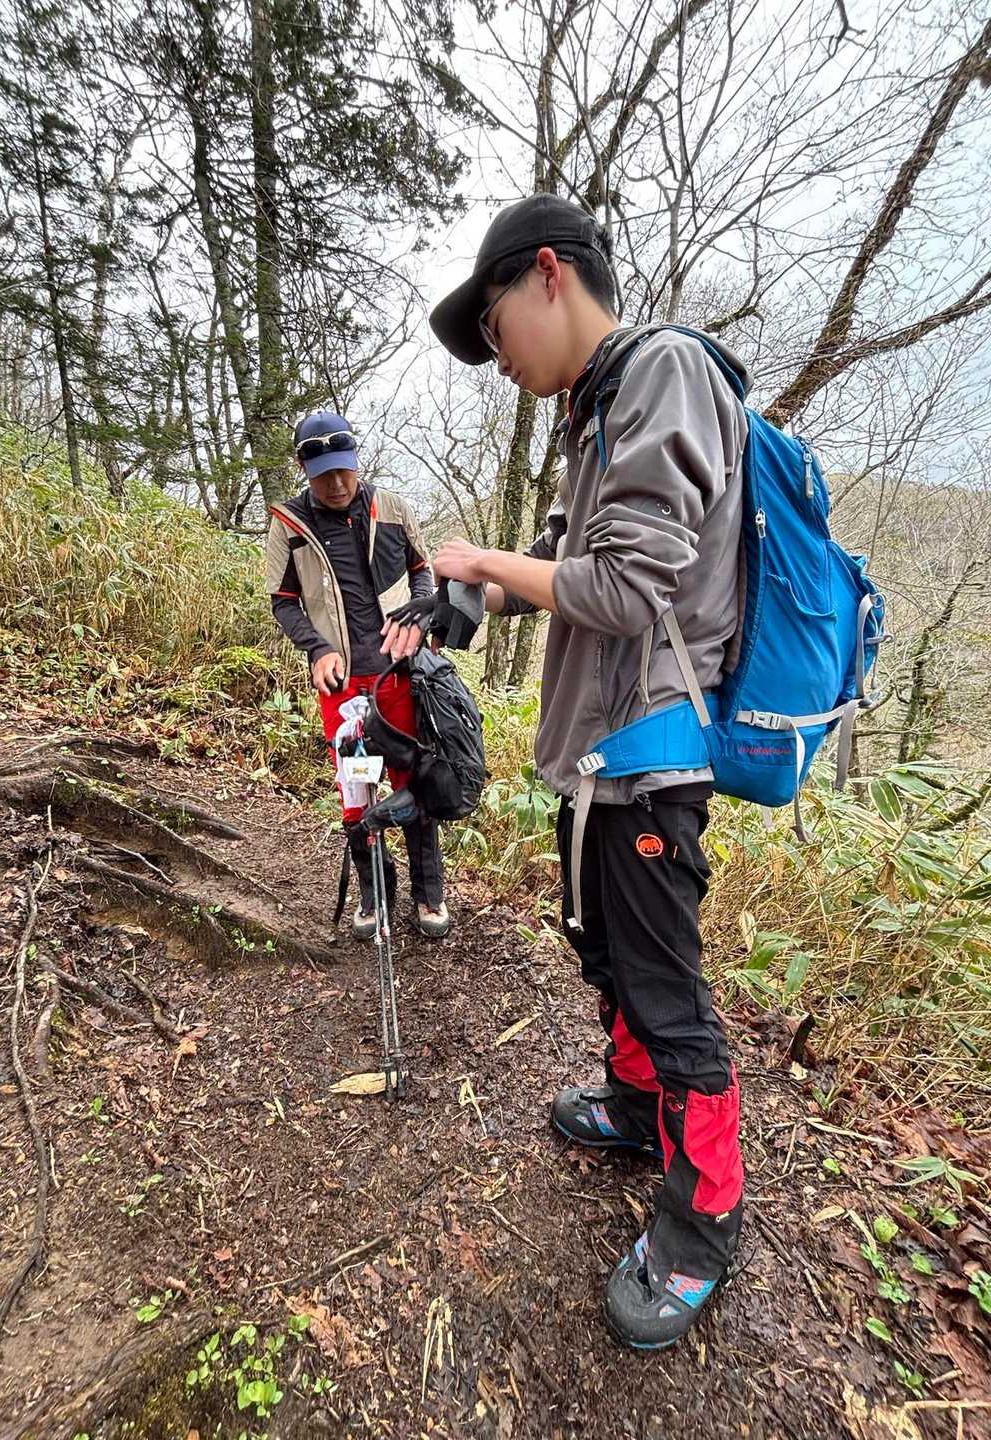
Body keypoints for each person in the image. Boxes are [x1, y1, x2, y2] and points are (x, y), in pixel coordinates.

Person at [385, 194, 746, 1348]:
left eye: (495, 329)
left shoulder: (666, 371)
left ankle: (704, 1224)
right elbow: (562, 556)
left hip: (653, 756)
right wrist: (463, 597)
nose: (498, 359)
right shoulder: (595, 409)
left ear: (550, 273)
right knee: (606, 953)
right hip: (599, 756)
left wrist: (490, 558)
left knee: (668, 992)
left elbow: (632, 588)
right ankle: (638, 1108)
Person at [265, 410, 450, 941]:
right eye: (324, 475)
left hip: (400, 675)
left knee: (413, 782)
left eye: (344, 470)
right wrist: (317, 649)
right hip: (342, 686)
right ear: (304, 469)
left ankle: (428, 892)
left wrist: (419, 615)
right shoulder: (289, 525)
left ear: (356, 460)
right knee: (357, 792)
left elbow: (422, 572)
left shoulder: (391, 509)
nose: (337, 484)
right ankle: (375, 893)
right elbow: (283, 600)